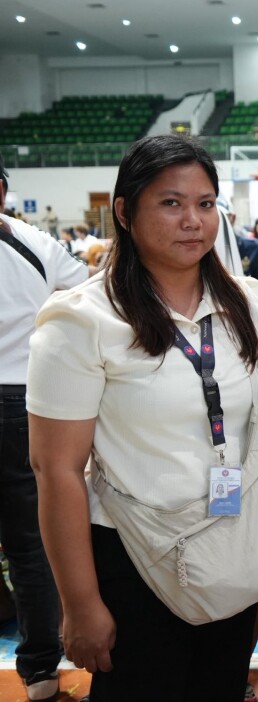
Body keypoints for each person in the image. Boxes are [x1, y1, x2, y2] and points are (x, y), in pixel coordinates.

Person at [26, 135, 258, 700]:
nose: (193, 220)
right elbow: (56, 470)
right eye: (171, 203)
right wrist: (80, 603)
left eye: (205, 203)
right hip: (135, 557)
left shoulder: (243, 300)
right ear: (124, 211)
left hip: (232, 543)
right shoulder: (82, 319)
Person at [1, 156, 86, 701]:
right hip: (23, 396)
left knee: (31, 546)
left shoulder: (32, 241)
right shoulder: (34, 241)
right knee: (30, 546)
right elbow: (88, 294)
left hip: (23, 396)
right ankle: (39, 673)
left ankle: (39, 670)